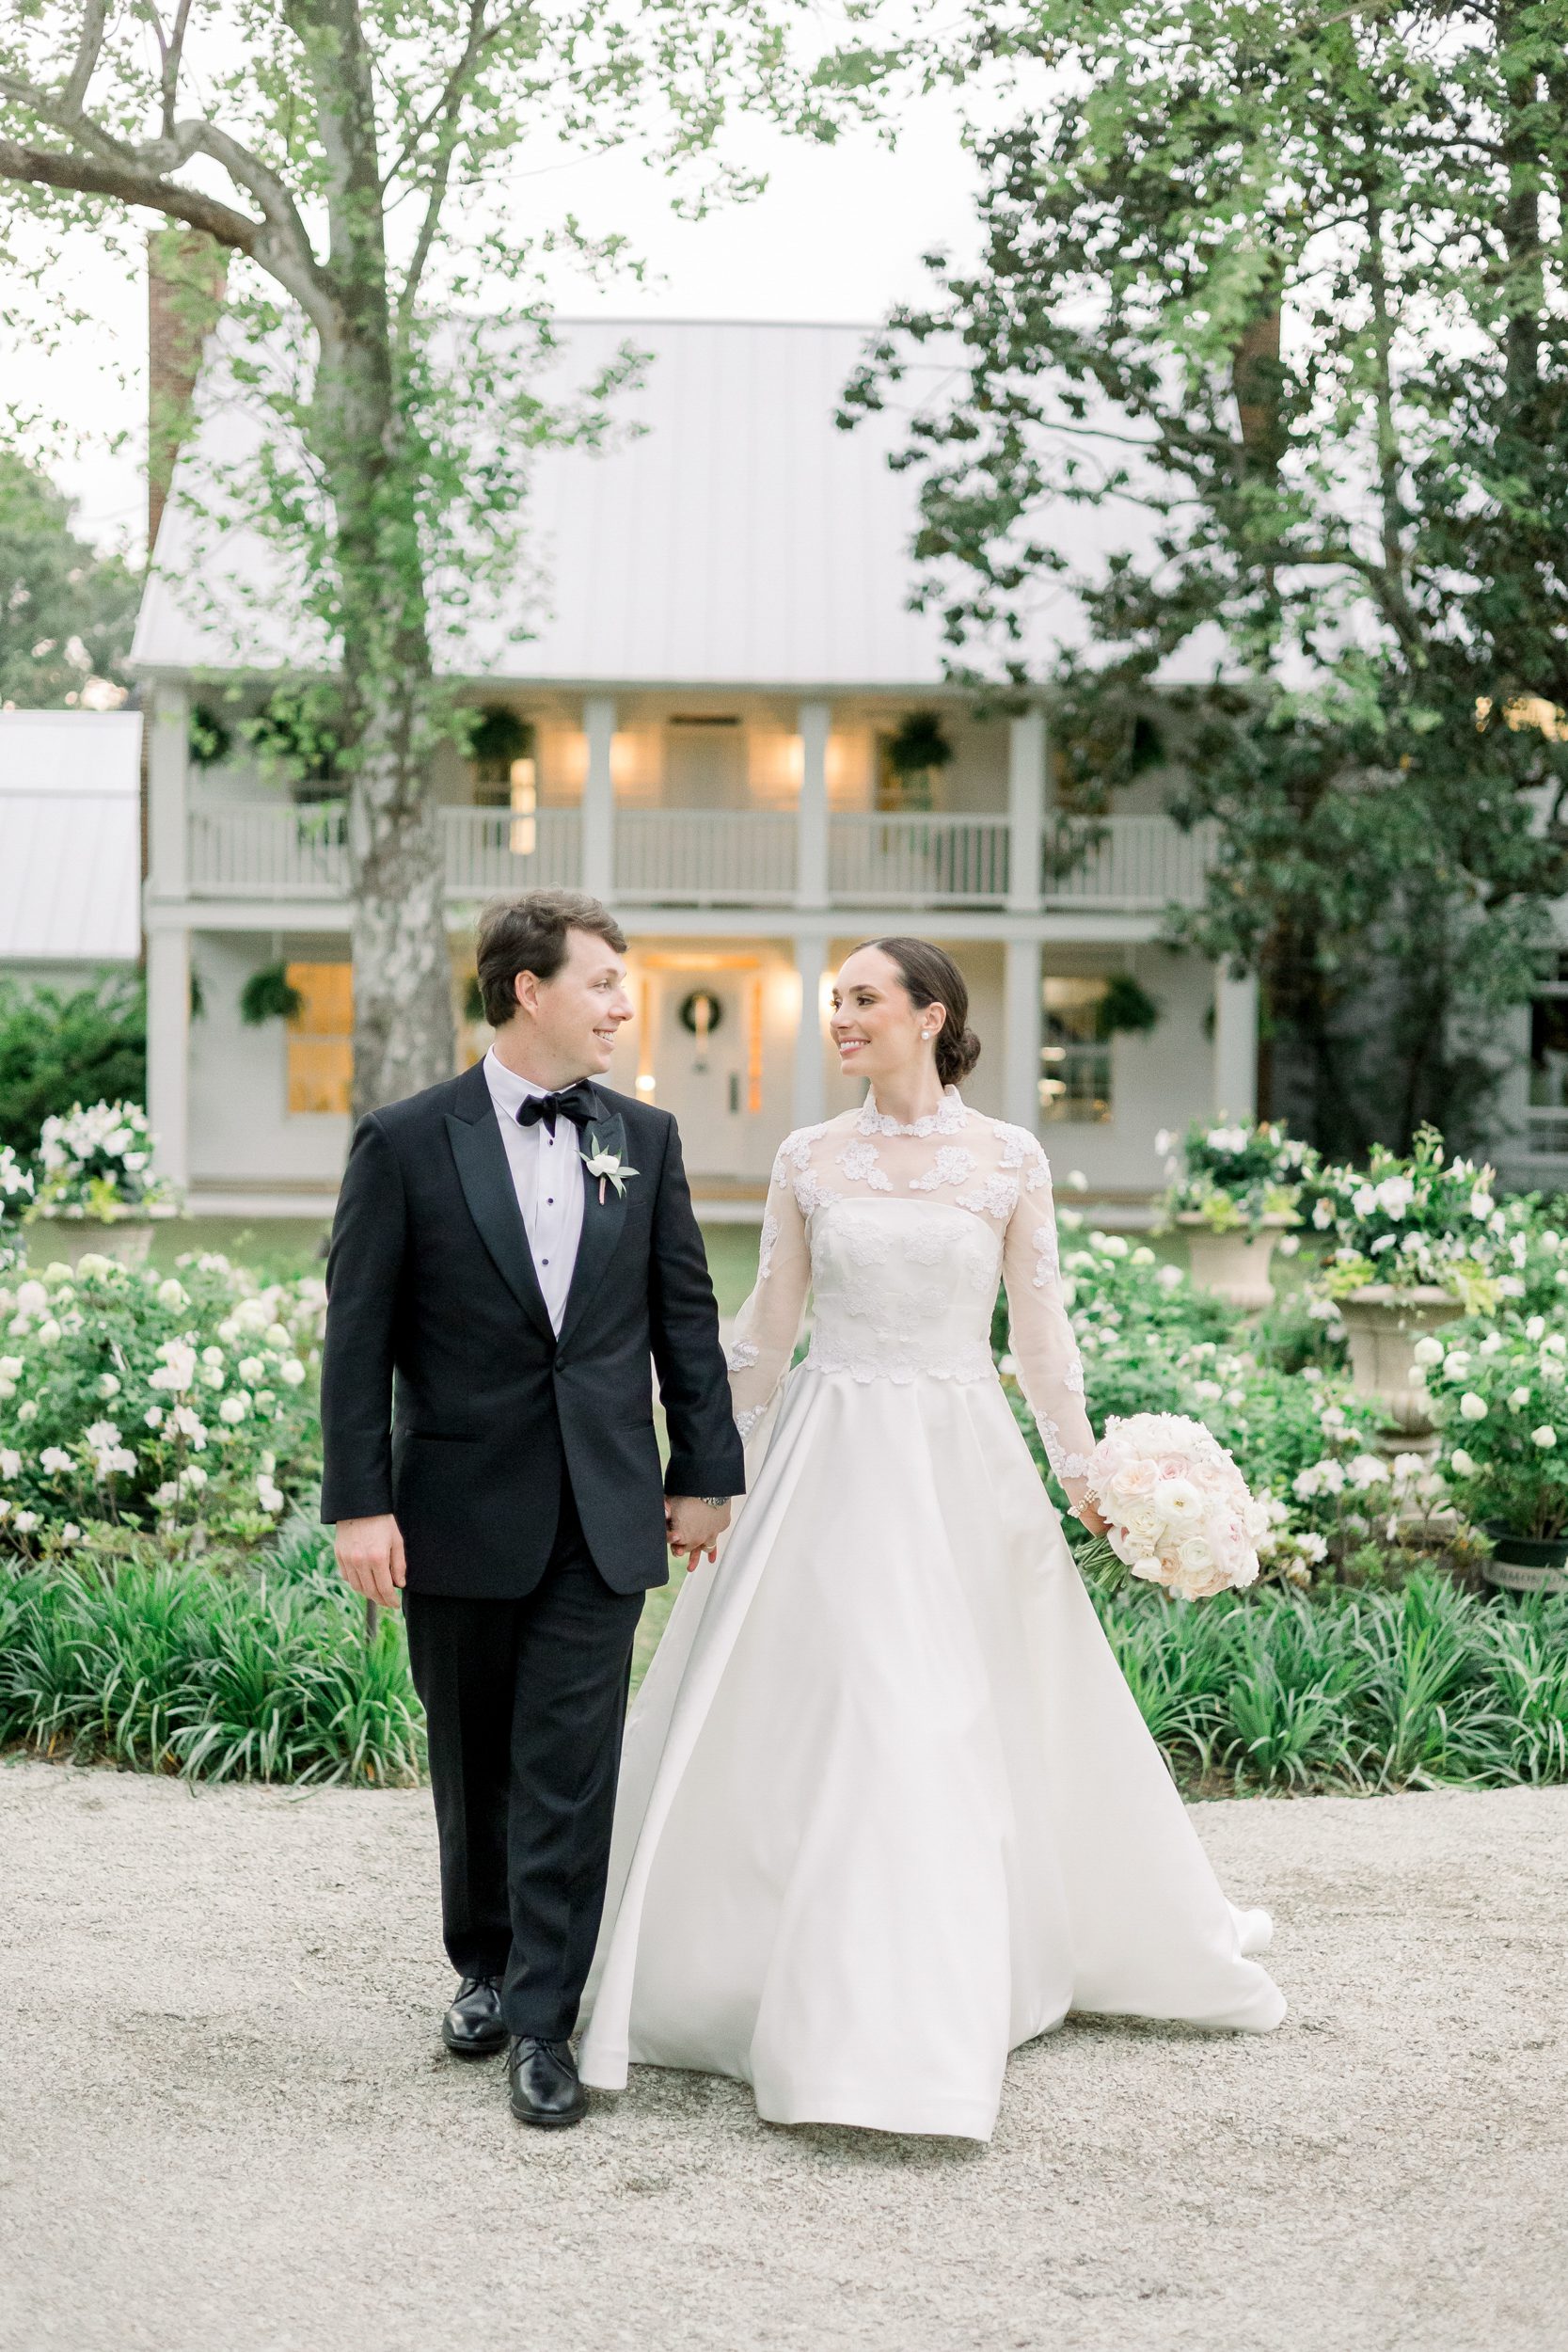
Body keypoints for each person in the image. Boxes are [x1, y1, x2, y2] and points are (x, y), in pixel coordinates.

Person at [578, 937, 1285, 2141]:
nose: (839, 1017)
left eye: (861, 1000)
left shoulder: (1007, 1157)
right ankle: (798, 1994)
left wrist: (1091, 1479)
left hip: (960, 1464)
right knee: (853, 1703)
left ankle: (929, 1996)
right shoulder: (809, 1159)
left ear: (929, 1014)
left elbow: (1041, 1338)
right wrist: (696, 1463)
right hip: (829, 1455)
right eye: (835, 1002)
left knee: (957, 1713)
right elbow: (766, 1327)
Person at [319, 890, 742, 2130]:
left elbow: (682, 1321)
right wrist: (360, 1503)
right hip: (454, 1505)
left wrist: (702, 1471)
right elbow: (359, 1340)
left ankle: (544, 2021)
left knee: (568, 1766)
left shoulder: (645, 1141)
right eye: (604, 981)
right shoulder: (404, 1141)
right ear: (528, 991)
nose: (622, 1005)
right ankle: (485, 1964)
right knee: (473, 1759)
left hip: (601, 1508)